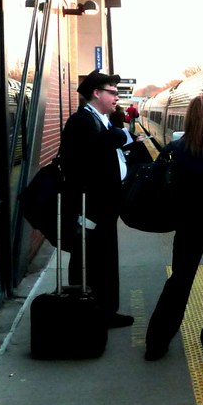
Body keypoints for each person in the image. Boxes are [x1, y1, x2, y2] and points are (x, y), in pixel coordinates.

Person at [144, 95, 203, 362]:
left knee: (179, 283)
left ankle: (157, 343)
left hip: (187, 227)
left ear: (188, 118)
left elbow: (157, 184)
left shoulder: (174, 149)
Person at [60, 70, 134, 328]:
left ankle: (103, 310)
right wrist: (118, 135)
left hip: (103, 205)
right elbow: (82, 161)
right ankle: (89, 313)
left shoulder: (99, 119)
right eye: (112, 92)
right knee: (90, 260)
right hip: (91, 206)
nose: (116, 97)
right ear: (96, 93)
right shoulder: (81, 121)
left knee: (103, 259)